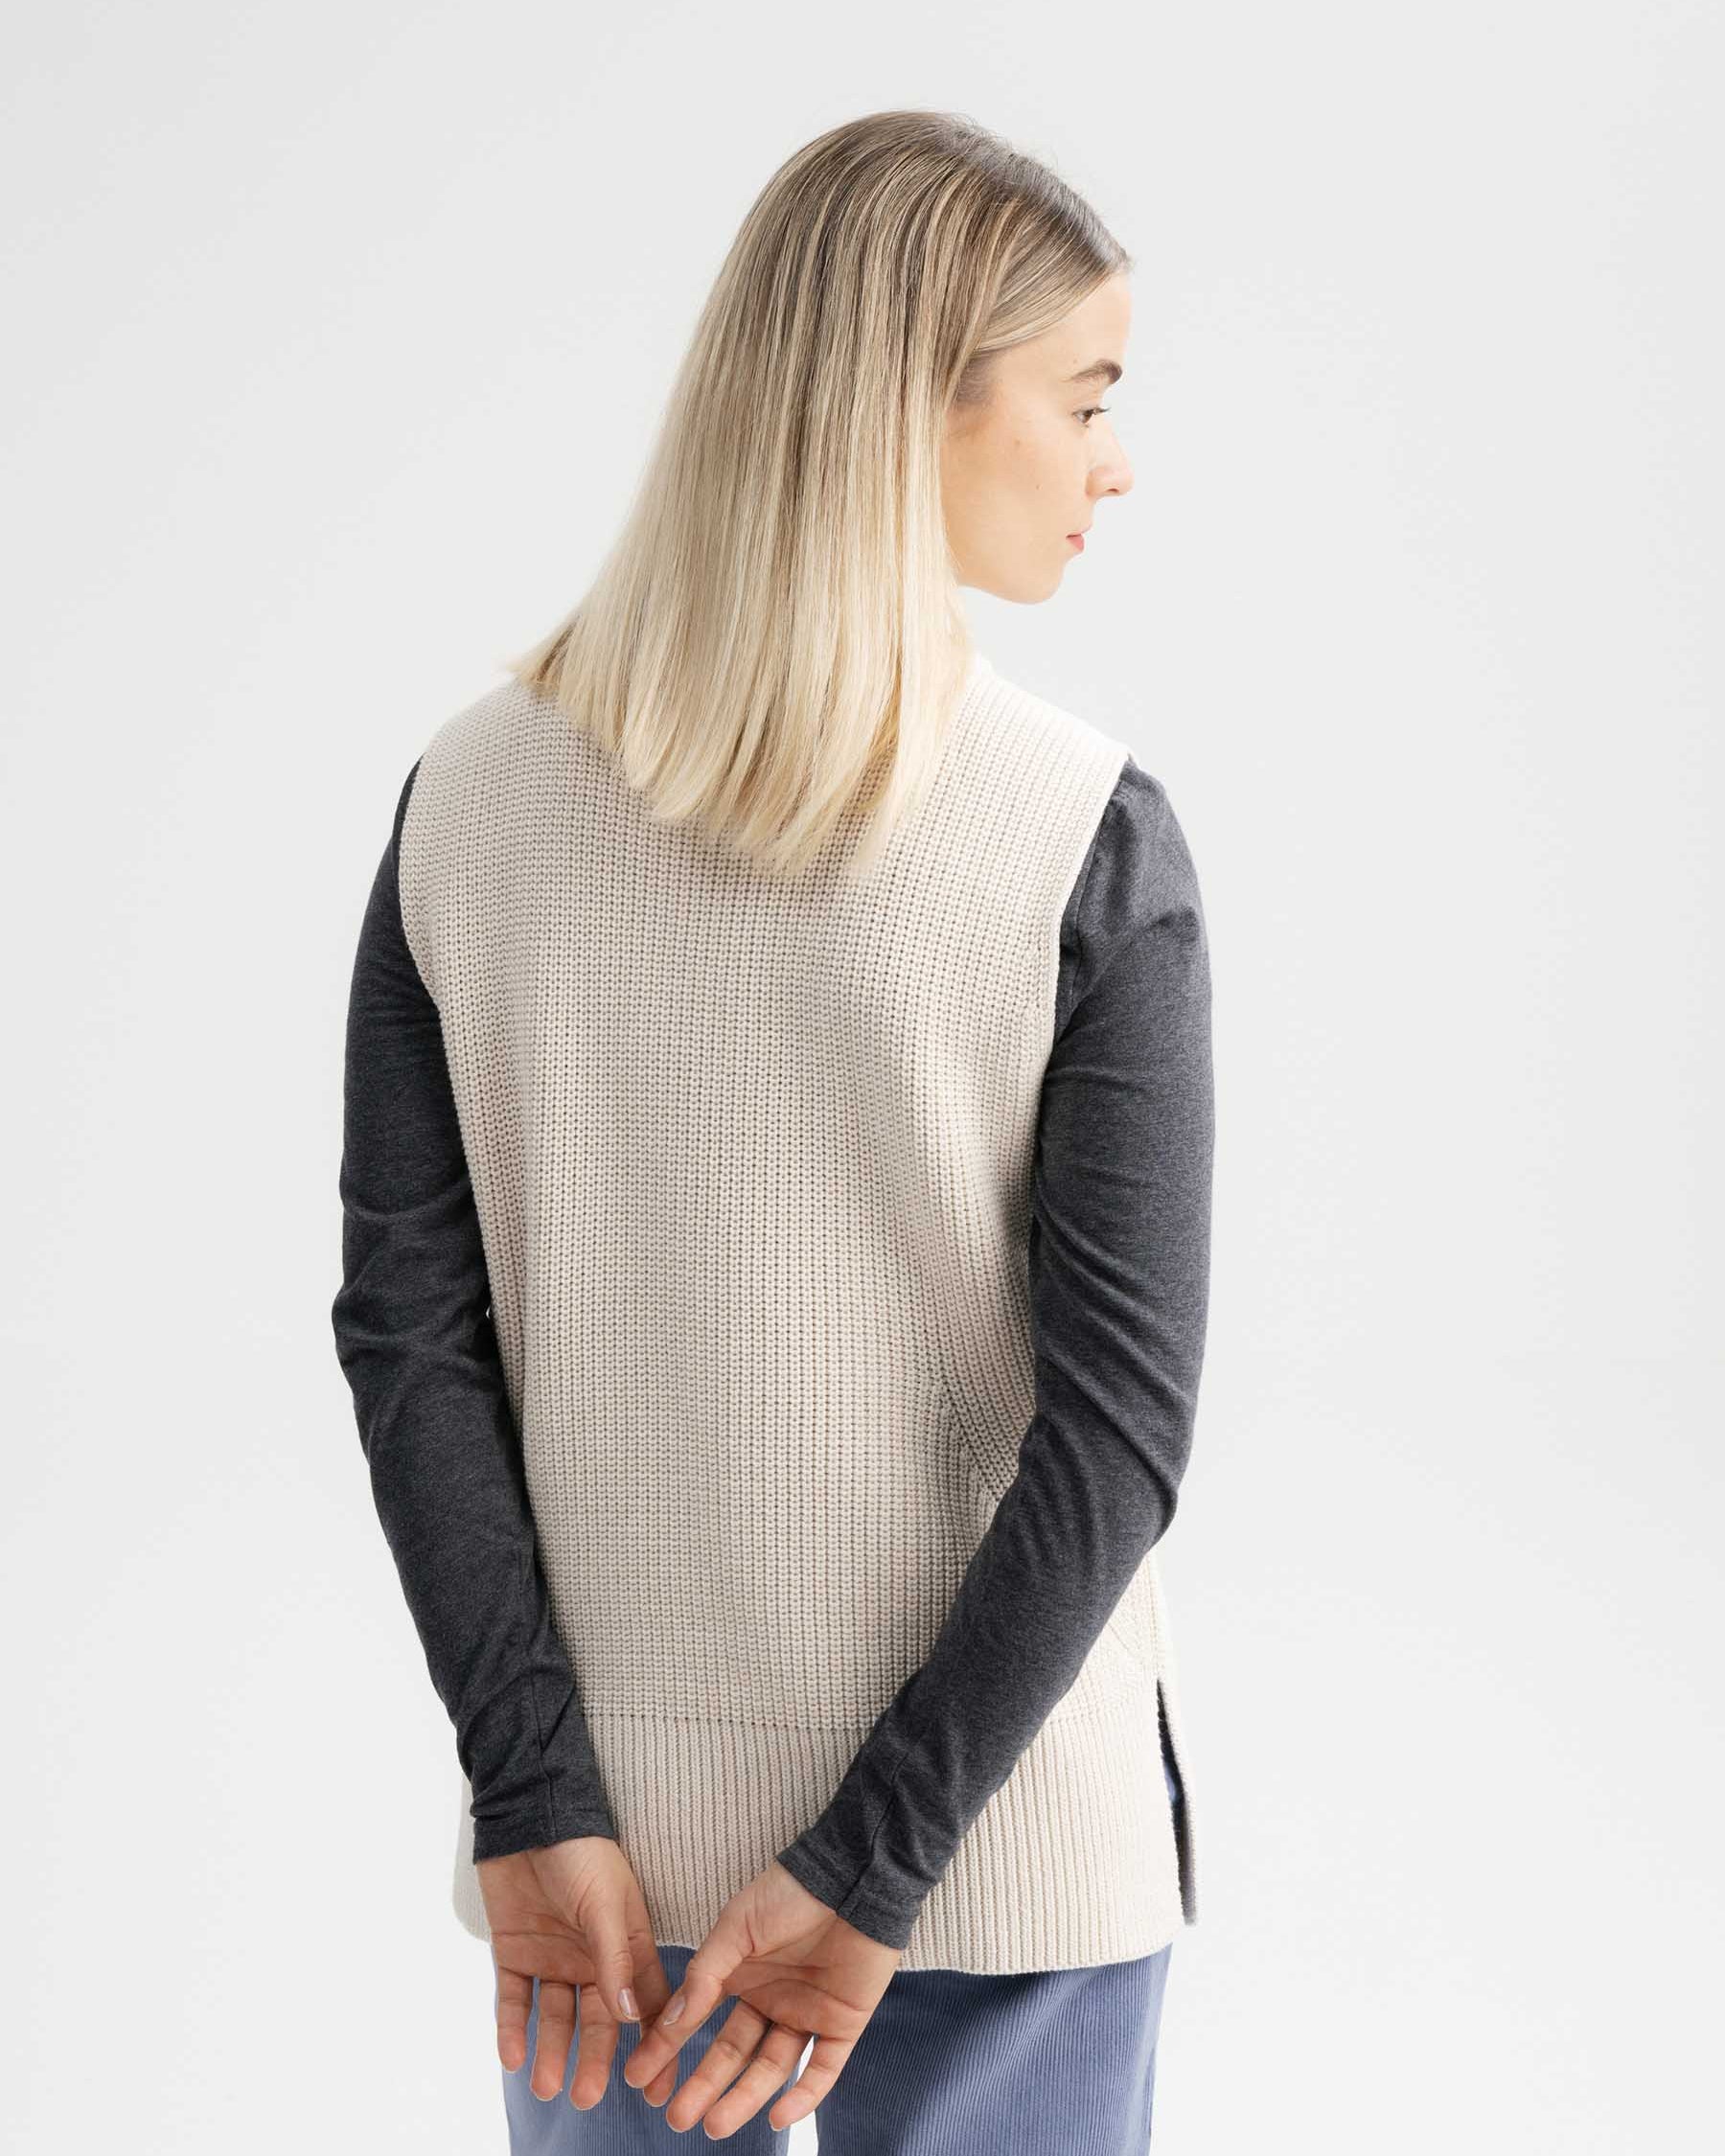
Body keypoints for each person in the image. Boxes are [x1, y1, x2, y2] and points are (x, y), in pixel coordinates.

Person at [332, 108, 1213, 2152]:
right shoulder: (1083, 838)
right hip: (1006, 1843)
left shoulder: (465, 806)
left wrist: (531, 1788)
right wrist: (876, 1857)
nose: (1116, 463)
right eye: (1088, 397)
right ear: (919, 402)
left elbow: (414, 1345)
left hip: (606, 1872)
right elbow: (1119, 1430)